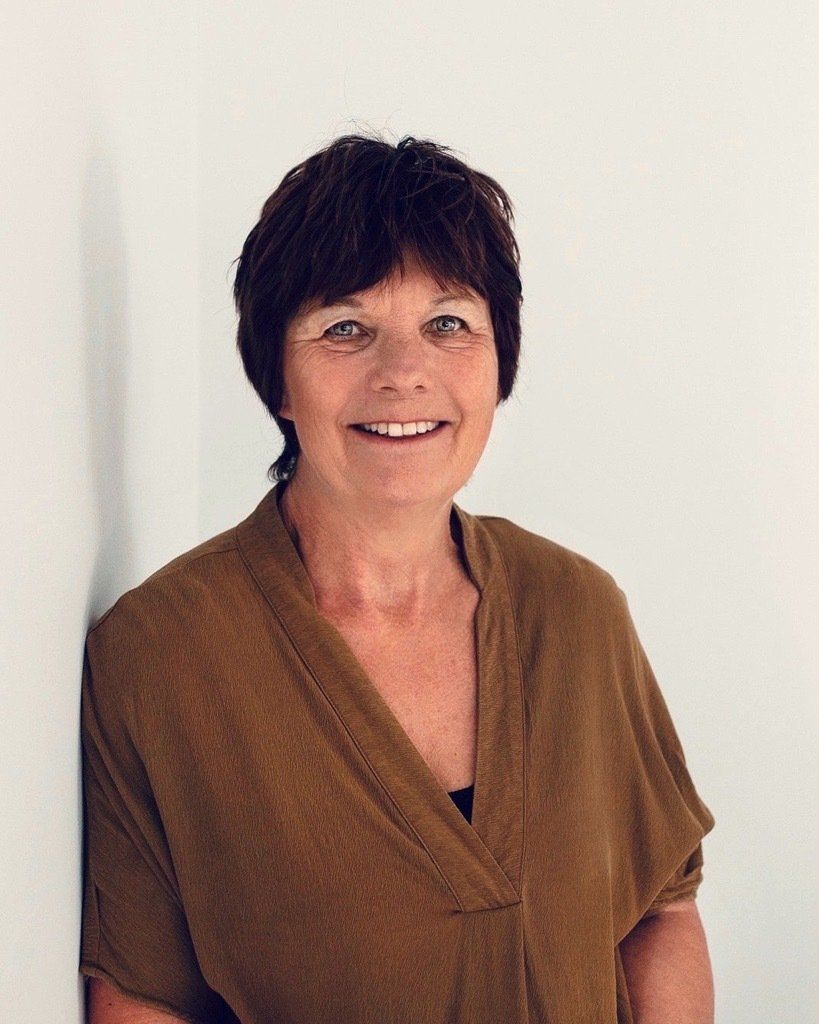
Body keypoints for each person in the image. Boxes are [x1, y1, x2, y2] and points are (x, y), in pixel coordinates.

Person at [79, 133, 716, 1024]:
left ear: (499, 364)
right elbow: (142, 997)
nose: (403, 372)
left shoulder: (577, 611)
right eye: (346, 329)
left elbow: (659, 907)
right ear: (278, 381)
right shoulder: (160, 655)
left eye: (448, 323)